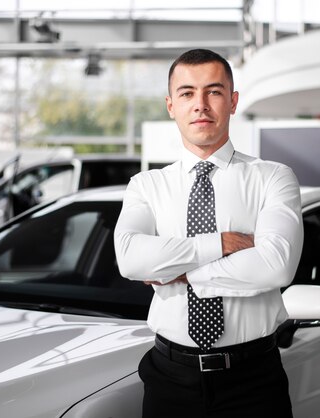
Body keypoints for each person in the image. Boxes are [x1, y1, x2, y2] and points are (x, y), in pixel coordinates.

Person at [114, 48, 303, 418]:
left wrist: (177, 271)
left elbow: (276, 266)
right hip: (169, 378)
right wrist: (221, 244)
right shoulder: (146, 185)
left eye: (213, 92)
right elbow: (130, 258)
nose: (200, 104)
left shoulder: (273, 177)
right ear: (171, 105)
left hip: (254, 380)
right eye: (187, 93)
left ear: (232, 102)